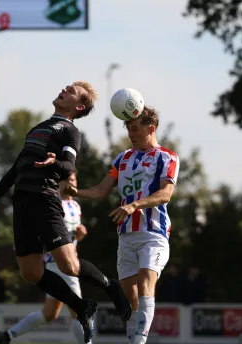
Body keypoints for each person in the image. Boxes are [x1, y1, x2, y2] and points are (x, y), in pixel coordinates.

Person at [0, 81, 131, 343]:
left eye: (70, 91)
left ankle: (110, 286)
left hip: (45, 200)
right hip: (21, 203)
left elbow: (69, 166)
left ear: (78, 106)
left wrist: (54, 163)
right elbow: (16, 169)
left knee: (68, 265)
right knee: (30, 273)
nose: (64, 90)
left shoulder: (70, 131)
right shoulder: (38, 128)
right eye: (66, 87)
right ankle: (82, 307)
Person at [67, 106, 180, 344]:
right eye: (128, 128)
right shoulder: (123, 158)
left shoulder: (166, 157)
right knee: (131, 299)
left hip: (153, 233)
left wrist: (134, 205)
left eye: (135, 128)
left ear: (151, 128)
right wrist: (75, 192)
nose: (131, 133)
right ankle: (134, 339)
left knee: (147, 282)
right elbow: (100, 191)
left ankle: (139, 342)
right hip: (126, 235)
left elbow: (165, 194)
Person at [0, 171, 91, 344]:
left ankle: (8, 335)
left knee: (49, 314)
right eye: (68, 180)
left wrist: (80, 235)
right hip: (59, 263)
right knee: (78, 311)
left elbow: (68, 237)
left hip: (66, 263)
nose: (72, 183)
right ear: (59, 183)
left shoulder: (76, 206)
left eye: (74, 180)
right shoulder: (52, 203)